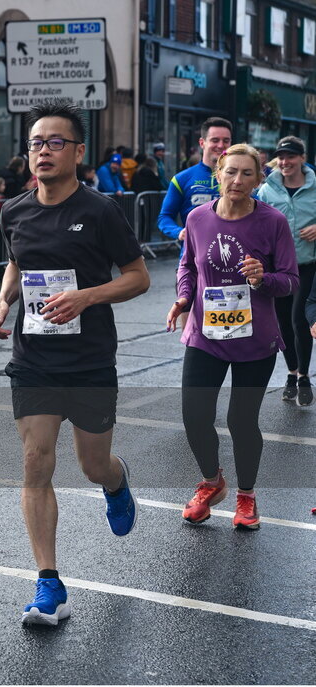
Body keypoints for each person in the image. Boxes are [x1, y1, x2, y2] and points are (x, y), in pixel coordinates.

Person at [0, 101, 150, 626]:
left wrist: (87, 297)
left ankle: (116, 482)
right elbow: (17, 261)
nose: (43, 151)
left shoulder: (101, 210)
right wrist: (4, 299)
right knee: (36, 464)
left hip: (89, 360)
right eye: (36, 142)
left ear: (78, 152)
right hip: (33, 358)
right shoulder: (15, 210)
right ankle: (48, 584)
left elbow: (137, 277)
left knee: (91, 464)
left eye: (56, 142)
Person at [166, 143, 298, 530]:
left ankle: (246, 496)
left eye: (246, 174)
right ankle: (212, 482)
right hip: (205, 335)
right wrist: (184, 297)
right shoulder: (197, 218)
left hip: (255, 340)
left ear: (259, 180)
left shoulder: (272, 222)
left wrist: (263, 278)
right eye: (231, 172)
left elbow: (290, 281)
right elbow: (188, 264)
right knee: (195, 417)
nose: (237, 180)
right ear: (218, 174)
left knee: (241, 422)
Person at [256, 136, 316, 406]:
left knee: (298, 319)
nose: (284, 162)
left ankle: (304, 376)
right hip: (279, 267)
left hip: (308, 265)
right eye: (280, 157)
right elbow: (257, 221)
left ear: (302, 158)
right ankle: (292, 373)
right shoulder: (268, 190)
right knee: (282, 325)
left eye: (290, 156)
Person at [158, 117, 232, 243]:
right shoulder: (181, 179)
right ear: (202, 143)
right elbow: (164, 217)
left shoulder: (240, 178)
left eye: (226, 141)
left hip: (230, 253)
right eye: (215, 140)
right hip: (192, 257)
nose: (221, 145)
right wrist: (178, 232)